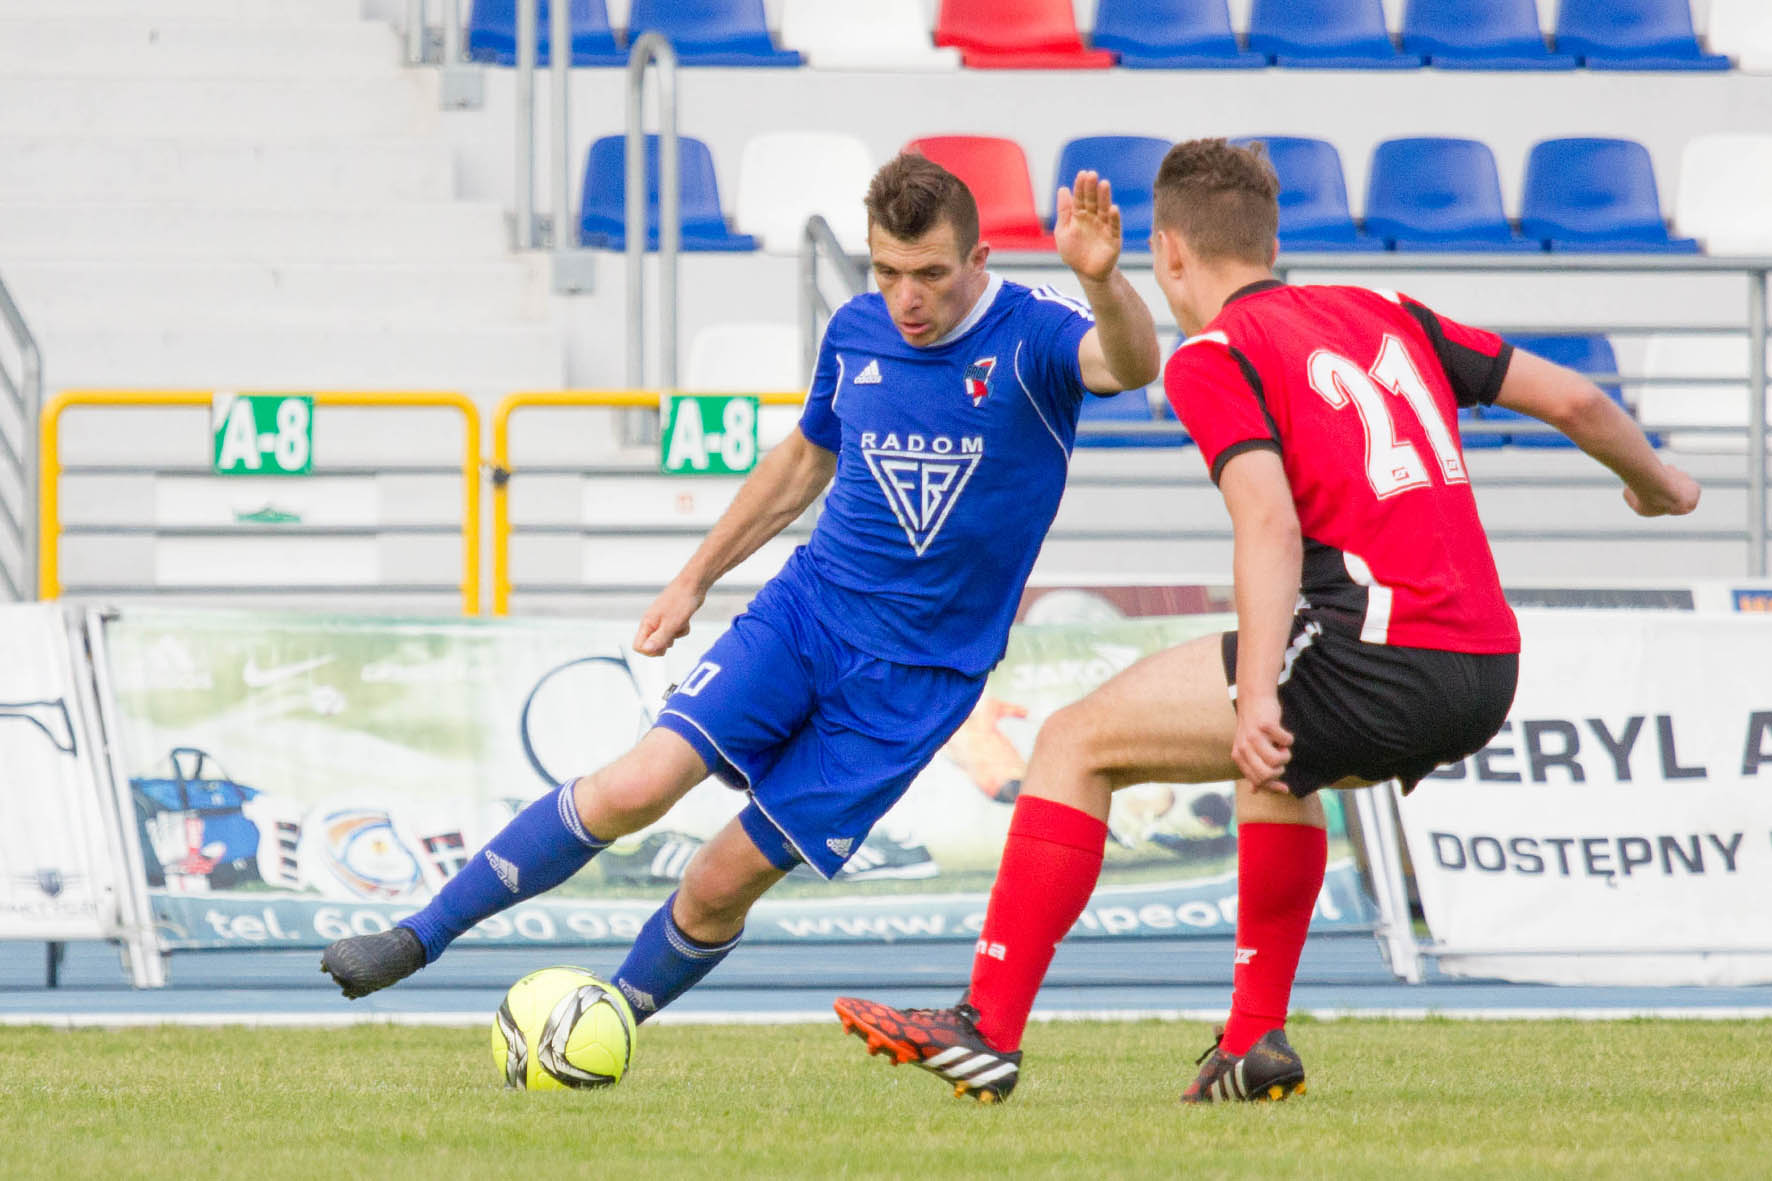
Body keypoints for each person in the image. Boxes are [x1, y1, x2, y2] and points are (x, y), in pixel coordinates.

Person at [834, 137, 1701, 1105]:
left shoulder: (1213, 354)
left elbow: (1268, 523)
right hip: (1486, 663)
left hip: (1378, 652)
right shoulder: (1385, 310)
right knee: (1278, 761)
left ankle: (986, 1026)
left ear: (1168, 252)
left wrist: (1252, 695)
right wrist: (1658, 483)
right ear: (1269, 240)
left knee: (1077, 739)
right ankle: (1252, 1041)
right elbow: (1574, 397)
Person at [319, 154, 1162, 1022]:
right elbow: (803, 459)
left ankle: (603, 1026)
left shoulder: (1033, 331)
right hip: (807, 616)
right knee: (635, 785)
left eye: (931, 274)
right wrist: (692, 579)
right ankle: (417, 935)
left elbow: (1131, 365)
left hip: (917, 680)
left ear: (978, 259)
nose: (907, 298)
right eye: (887, 272)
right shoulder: (857, 329)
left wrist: (1102, 279)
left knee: (718, 880)